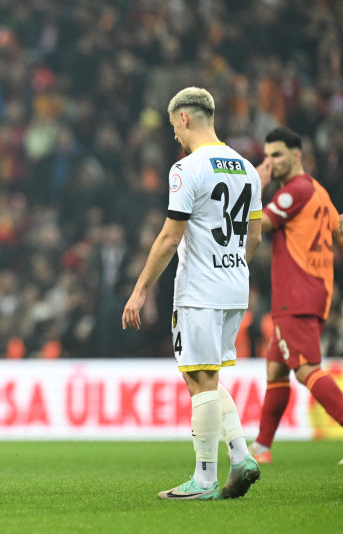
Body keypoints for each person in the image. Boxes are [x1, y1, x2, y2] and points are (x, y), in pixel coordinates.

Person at [122, 87, 263, 500]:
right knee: (207, 375)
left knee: (197, 377)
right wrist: (230, 268)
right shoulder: (247, 169)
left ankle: (204, 479)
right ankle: (241, 455)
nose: (175, 136)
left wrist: (140, 290)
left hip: (199, 289)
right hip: (235, 287)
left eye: (173, 127)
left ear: (184, 118)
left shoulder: (186, 168)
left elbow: (170, 237)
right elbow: (255, 236)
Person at [249, 126, 343, 464]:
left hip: (297, 295)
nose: (270, 162)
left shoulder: (295, 191)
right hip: (312, 291)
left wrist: (255, 188)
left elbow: (261, 224)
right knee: (276, 369)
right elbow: (338, 231)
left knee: (306, 369)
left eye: (277, 155)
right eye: (266, 156)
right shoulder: (319, 192)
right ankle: (261, 447)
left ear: (296, 155)